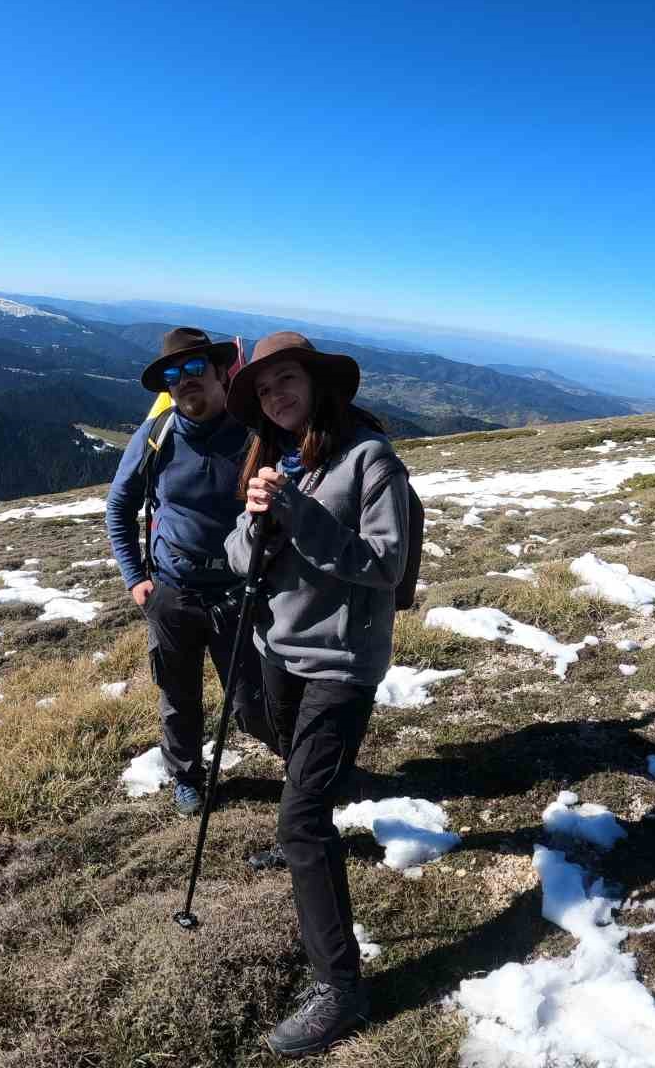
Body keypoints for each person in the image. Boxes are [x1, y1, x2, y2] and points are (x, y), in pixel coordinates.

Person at [223, 331, 409, 1059]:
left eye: (287, 381)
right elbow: (242, 556)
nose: (276, 396)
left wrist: (303, 516)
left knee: (301, 822)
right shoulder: (275, 459)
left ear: (318, 384)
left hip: (340, 659)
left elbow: (385, 565)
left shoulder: (370, 460)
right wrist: (258, 517)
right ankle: (315, 800)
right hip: (280, 646)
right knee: (275, 735)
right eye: (265, 391)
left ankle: (342, 988)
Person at [105, 327, 275, 817]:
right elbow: (119, 506)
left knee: (250, 700)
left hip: (237, 593)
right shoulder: (156, 437)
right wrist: (136, 579)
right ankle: (187, 777)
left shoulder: (253, 434)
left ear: (223, 373)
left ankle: (299, 765)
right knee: (178, 698)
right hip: (172, 591)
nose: (184, 382)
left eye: (196, 369)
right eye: (174, 376)